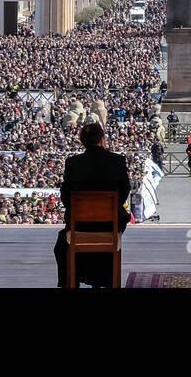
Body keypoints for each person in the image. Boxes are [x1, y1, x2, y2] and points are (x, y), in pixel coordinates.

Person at [53, 120, 130, 288]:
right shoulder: (117, 161)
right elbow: (125, 190)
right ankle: (103, 281)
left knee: (61, 245)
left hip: (79, 226)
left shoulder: (73, 163)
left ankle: (71, 283)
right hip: (110, 226)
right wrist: (109, 208)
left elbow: (66, 196)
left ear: (82, 142)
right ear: (102, 140)